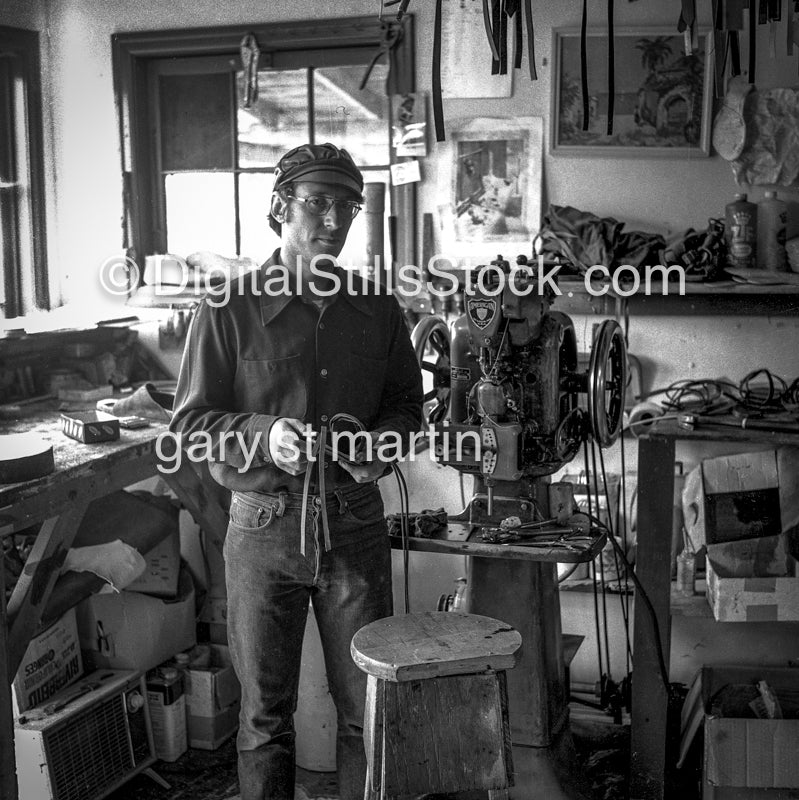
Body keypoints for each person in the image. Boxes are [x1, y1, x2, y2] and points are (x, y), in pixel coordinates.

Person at [169, 143, 423, 800]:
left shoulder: (377, 307)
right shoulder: (227, 307)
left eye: (348, 206)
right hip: (263, 527)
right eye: (318, 203)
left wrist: (382, 443)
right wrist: (264, 435)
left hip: (354, 523)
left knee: (367, 709)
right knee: (263, 719)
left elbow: (406, 406)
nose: (334, 220)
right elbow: (189, 424)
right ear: (281, 208)